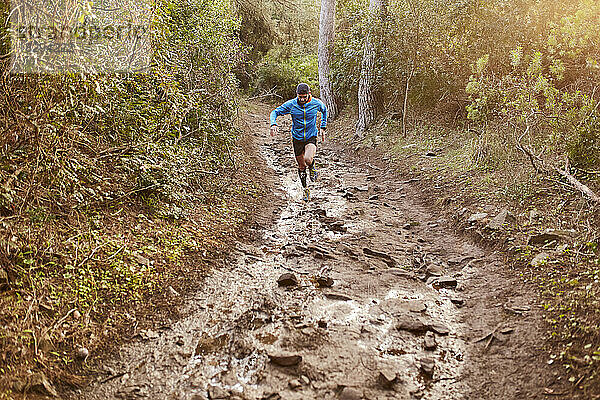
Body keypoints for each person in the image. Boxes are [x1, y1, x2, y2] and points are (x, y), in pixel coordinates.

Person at [269, 83, 327, 201]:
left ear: (308, 94)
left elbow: (324, 110)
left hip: (311, 136)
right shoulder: (292, 104)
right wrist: (273, 123)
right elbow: (274, 112)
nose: (301, 99)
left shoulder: (316, 103)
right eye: (299, 97)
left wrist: (323, 127)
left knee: (308, 159)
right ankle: (305, 189)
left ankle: (312, 167)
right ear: (297, 95)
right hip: (297, 138)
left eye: (304, 97)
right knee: (301, 166)